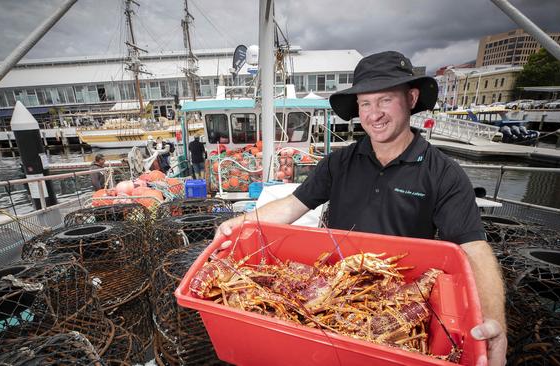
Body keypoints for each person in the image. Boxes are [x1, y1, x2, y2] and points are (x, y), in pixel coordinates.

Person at [216, 51, 507, 366]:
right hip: (335, 289)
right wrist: (242, 222)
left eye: (385, 100)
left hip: (400, 298)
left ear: (411, 98)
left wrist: (494, 324)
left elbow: (473, 248)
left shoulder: (443, 173)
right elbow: (291, 206)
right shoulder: (339, 161)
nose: (374, 114)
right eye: (365, 103)